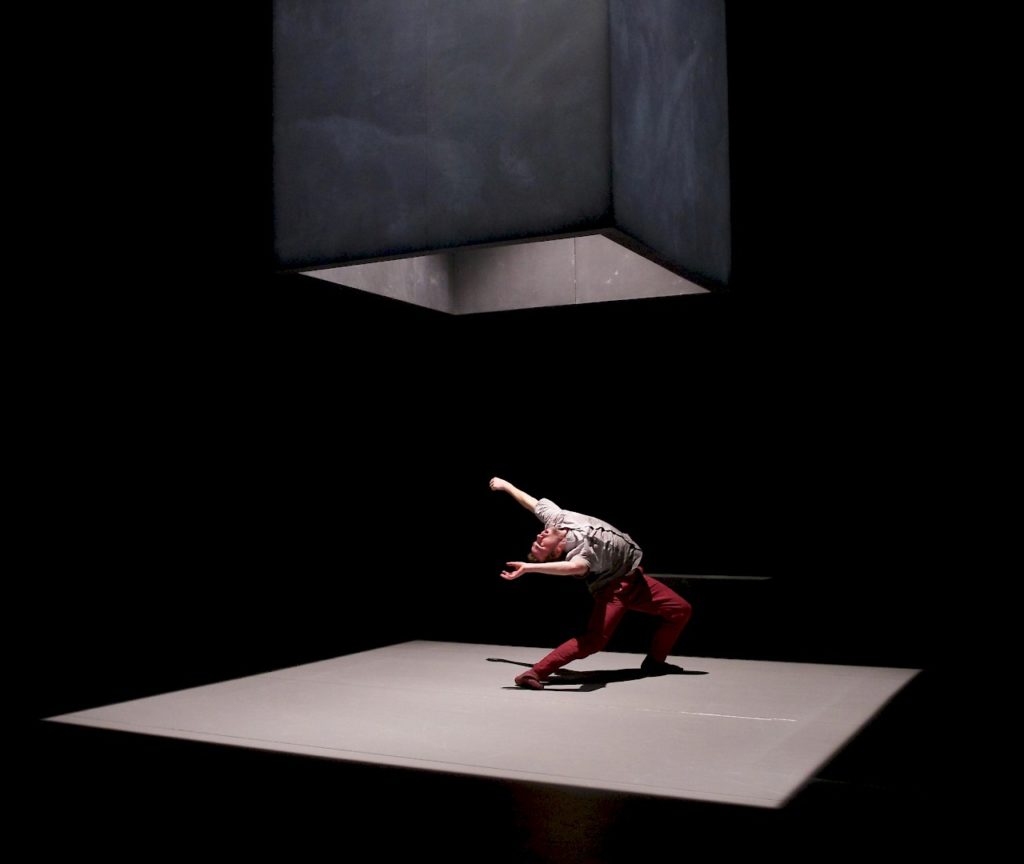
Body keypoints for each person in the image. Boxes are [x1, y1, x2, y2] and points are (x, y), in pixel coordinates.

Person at [489, 477, 692, 690]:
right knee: (595, 640)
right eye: (541, 544)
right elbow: (572, 568)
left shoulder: (556, 519)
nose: (539, 536)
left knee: (681, 610)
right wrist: (529, 568)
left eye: (537, 540)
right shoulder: (580, 555)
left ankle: (655, 663)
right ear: (556, 551)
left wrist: (506, 486)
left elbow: (530, 502)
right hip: (615, 590)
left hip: (635, 579)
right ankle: (533, 673)